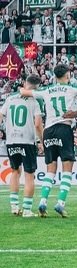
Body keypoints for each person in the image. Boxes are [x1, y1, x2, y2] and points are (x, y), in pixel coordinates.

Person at [21, 63, 77, 218]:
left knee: (50, 170)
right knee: (67, 170)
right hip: (64, 128)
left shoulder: (46, 90)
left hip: (49, 131)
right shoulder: (71, 88)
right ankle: (60, 203)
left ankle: (42, 202)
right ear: (67, 75)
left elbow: (24, 91)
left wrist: (23, 90)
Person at [1, 75, 43, 217]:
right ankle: (26, 209)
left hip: (11, 140)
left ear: (25, 83)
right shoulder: (35, 101)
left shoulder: (10, 98)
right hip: (27, 140)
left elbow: (0, 115)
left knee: (15, 171)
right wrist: (41, 141)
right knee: (29, 175)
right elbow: (37, 124)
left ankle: (14, 207)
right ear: (37, 87)